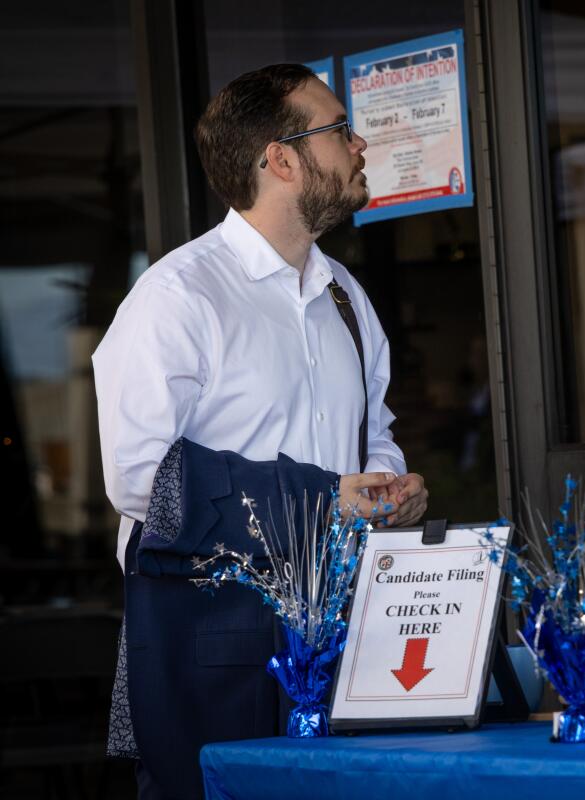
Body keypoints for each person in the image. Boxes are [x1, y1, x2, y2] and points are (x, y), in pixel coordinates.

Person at [93, 63, 428, 798]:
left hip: (344, 633)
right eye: (338, 129)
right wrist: (322, 498)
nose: (358, 143)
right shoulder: (176, 298)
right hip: (215, 640)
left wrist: (387, 482)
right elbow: (140, 477)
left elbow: (374, 430)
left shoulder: (347, 297)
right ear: (281, 159)